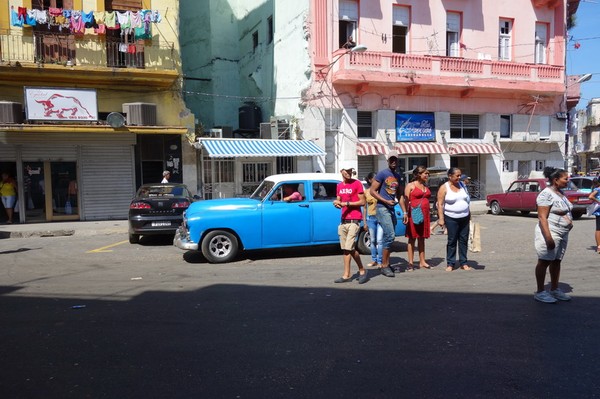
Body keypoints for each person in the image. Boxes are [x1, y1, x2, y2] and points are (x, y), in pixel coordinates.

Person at [533, 166, 573, 303]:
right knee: (544, 261)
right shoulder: (546, 194)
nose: (568, 181)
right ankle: (540, 291)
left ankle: (554, 289)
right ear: (556, 180)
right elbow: (542, 217)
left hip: (563, 233)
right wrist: (548, 238)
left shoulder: (560, 193)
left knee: (556, 261)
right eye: (565, 178)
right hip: (551, 232)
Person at [370, 150, 408, 277]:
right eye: (391, 159)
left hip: (391, 209)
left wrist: (405, 212)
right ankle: (384, 265)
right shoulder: (382, 174)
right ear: (387, 161)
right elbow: (372, 191)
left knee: (389, 237)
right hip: (382, 208)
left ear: (398, 161)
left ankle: (386, 263)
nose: (393, 161)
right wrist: (385, 200)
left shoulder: (397, 176)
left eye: (395, 159)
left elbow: (400, 195)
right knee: (390, 235)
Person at [333, 166, 368, 284]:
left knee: (349, 248)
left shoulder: (357, 183)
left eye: (350, 171)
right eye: (346, 171)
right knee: (347, 249)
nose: (348, 173)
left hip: (354, 220)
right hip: (343, 221)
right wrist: (337, 203)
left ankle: (355, 272)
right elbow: (338, 200)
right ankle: (354, 272)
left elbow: (363, 202)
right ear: (341, 171)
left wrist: (347, 203)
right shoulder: (339, 186)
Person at [436, 167, 472, 272]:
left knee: (463, 240)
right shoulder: (444, 187)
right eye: (457, 176)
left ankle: (463, 262)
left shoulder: (462, 185)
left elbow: (467, 200)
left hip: (464, 217)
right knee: (452, 241)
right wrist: (441, 219)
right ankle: (450, 263)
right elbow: (440, 204)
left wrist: (469, 214)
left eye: (460, 175)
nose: (459, 177)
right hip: (451, 218)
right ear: (450, 176)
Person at [404, 165, 432, 270]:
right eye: (425, 173)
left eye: (428, 173)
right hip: (414, 214)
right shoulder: (410, 185)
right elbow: (406, 200)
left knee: (422, 238)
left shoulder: (425, 186)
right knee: (412, 238)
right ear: (419, 174)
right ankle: (410, 263)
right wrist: (405, 213)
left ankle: (422, 261)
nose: (427, 175)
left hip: (424, 214)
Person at [363, 172, 383, 268]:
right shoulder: (366, 192)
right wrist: (365, 222)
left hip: (381, 218)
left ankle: (380, 261)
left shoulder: (381, 191)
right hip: (371, 218)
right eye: (375, 179)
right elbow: (365, 208)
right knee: (373, 240)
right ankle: (374, 259)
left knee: (379, 240)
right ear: (370, 180)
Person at [588, 178, 600, 254]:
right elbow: (590, 196)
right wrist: (598, 201)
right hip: (599, 211)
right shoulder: (598, 189)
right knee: (598, 228)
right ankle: (599, 246)